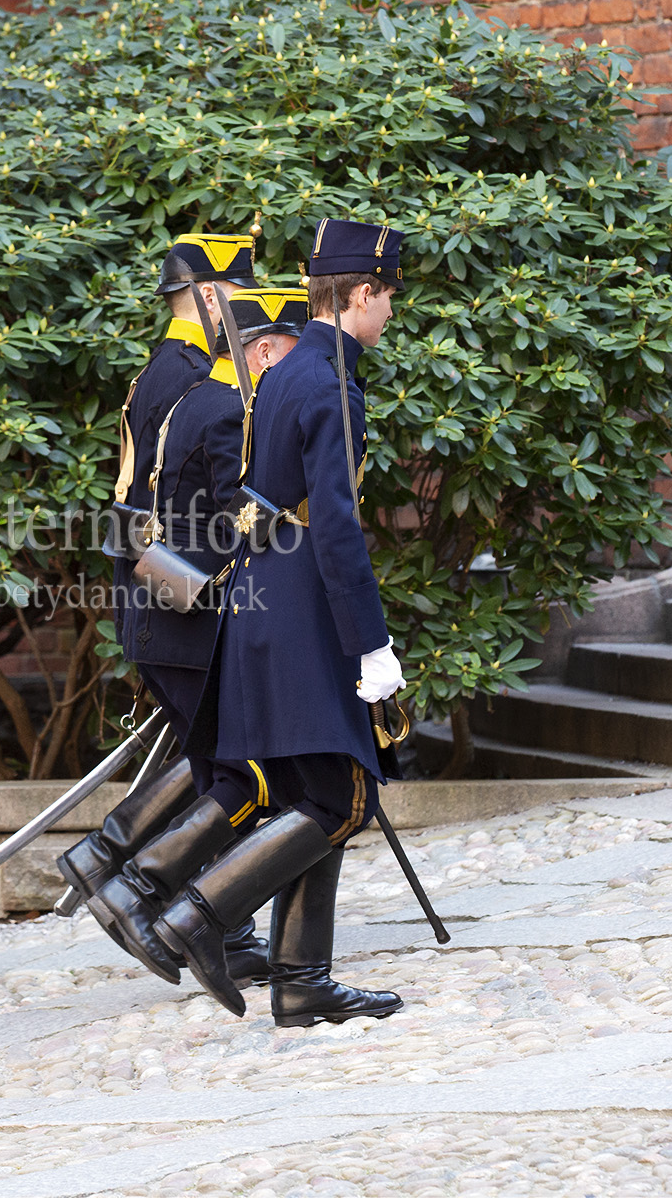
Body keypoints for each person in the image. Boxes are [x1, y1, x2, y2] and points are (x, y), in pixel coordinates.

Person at [150, 219, 411, 1029]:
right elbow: (333, 522)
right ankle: (200, 911)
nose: (391, 314)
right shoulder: (330, 380)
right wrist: (370, 641)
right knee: (339, 800)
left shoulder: (284, 371)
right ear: (363, 294)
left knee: (312, 791)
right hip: (303, 604)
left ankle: (301, 980)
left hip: (267, 589)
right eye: (389, 298)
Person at [78, 287, 312, 987]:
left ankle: (183, 909)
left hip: (163, 612)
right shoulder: (224, 411)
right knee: (249, 776)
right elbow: (241, 521)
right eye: (291, 355)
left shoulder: (191, 398)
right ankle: (151, 894)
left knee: (223, 773)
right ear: (261, 348)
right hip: (189, 621)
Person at [56, 235, 257, 909]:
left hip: (162, 590)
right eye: (237, 297)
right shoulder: (193, 374)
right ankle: (190, 911)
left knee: (213, 761)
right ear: (208, 295)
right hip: (173, 595)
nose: (248, 312)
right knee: (229, 765)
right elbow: (145, 516)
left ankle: (200, 915)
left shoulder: (170, 367)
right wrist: (195, 600)